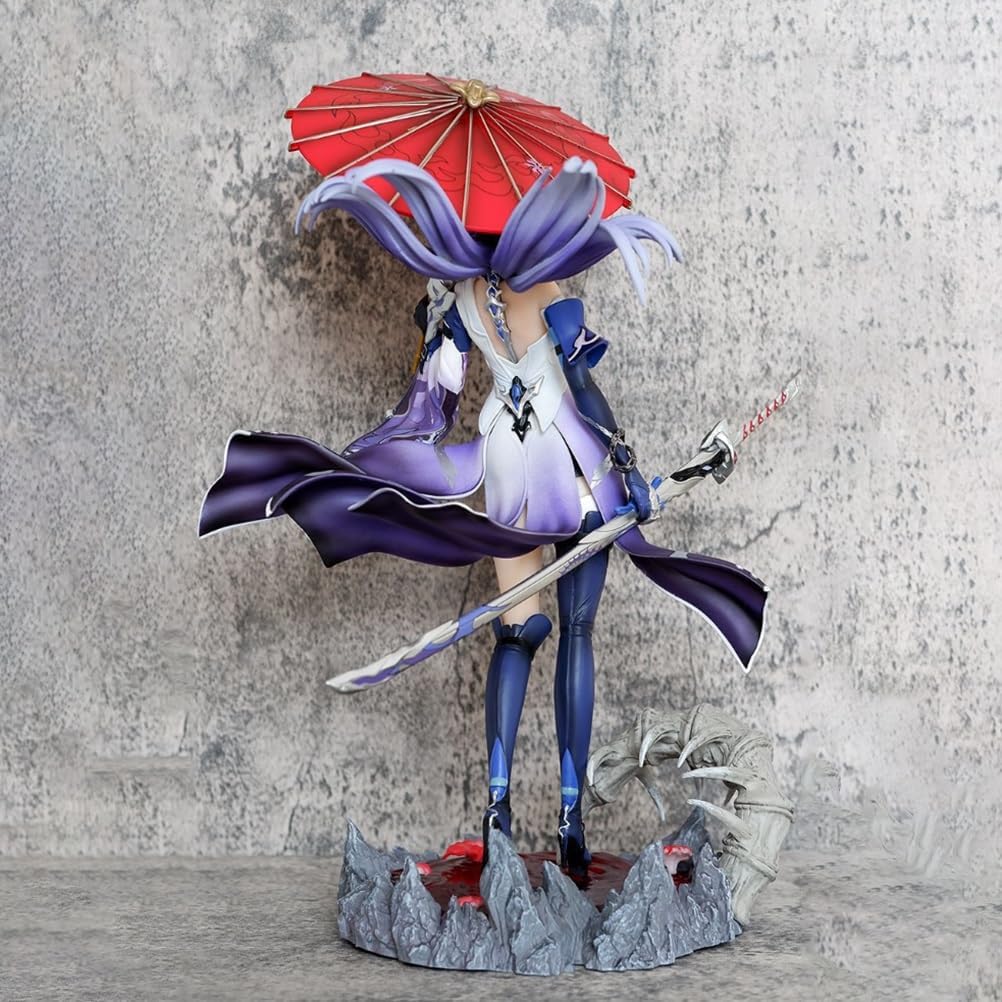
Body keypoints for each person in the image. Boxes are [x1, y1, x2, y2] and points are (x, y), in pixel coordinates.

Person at [199, 156, 768, 875]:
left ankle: (497, 809)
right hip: (573, 470)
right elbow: (583, 388)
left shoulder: (461, 298)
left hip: (506, 468)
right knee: (576, 631)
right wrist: (626, 467)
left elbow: (430, 406)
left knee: (517, 633)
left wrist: (412, 390)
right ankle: (568, 817)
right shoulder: (548, 289)